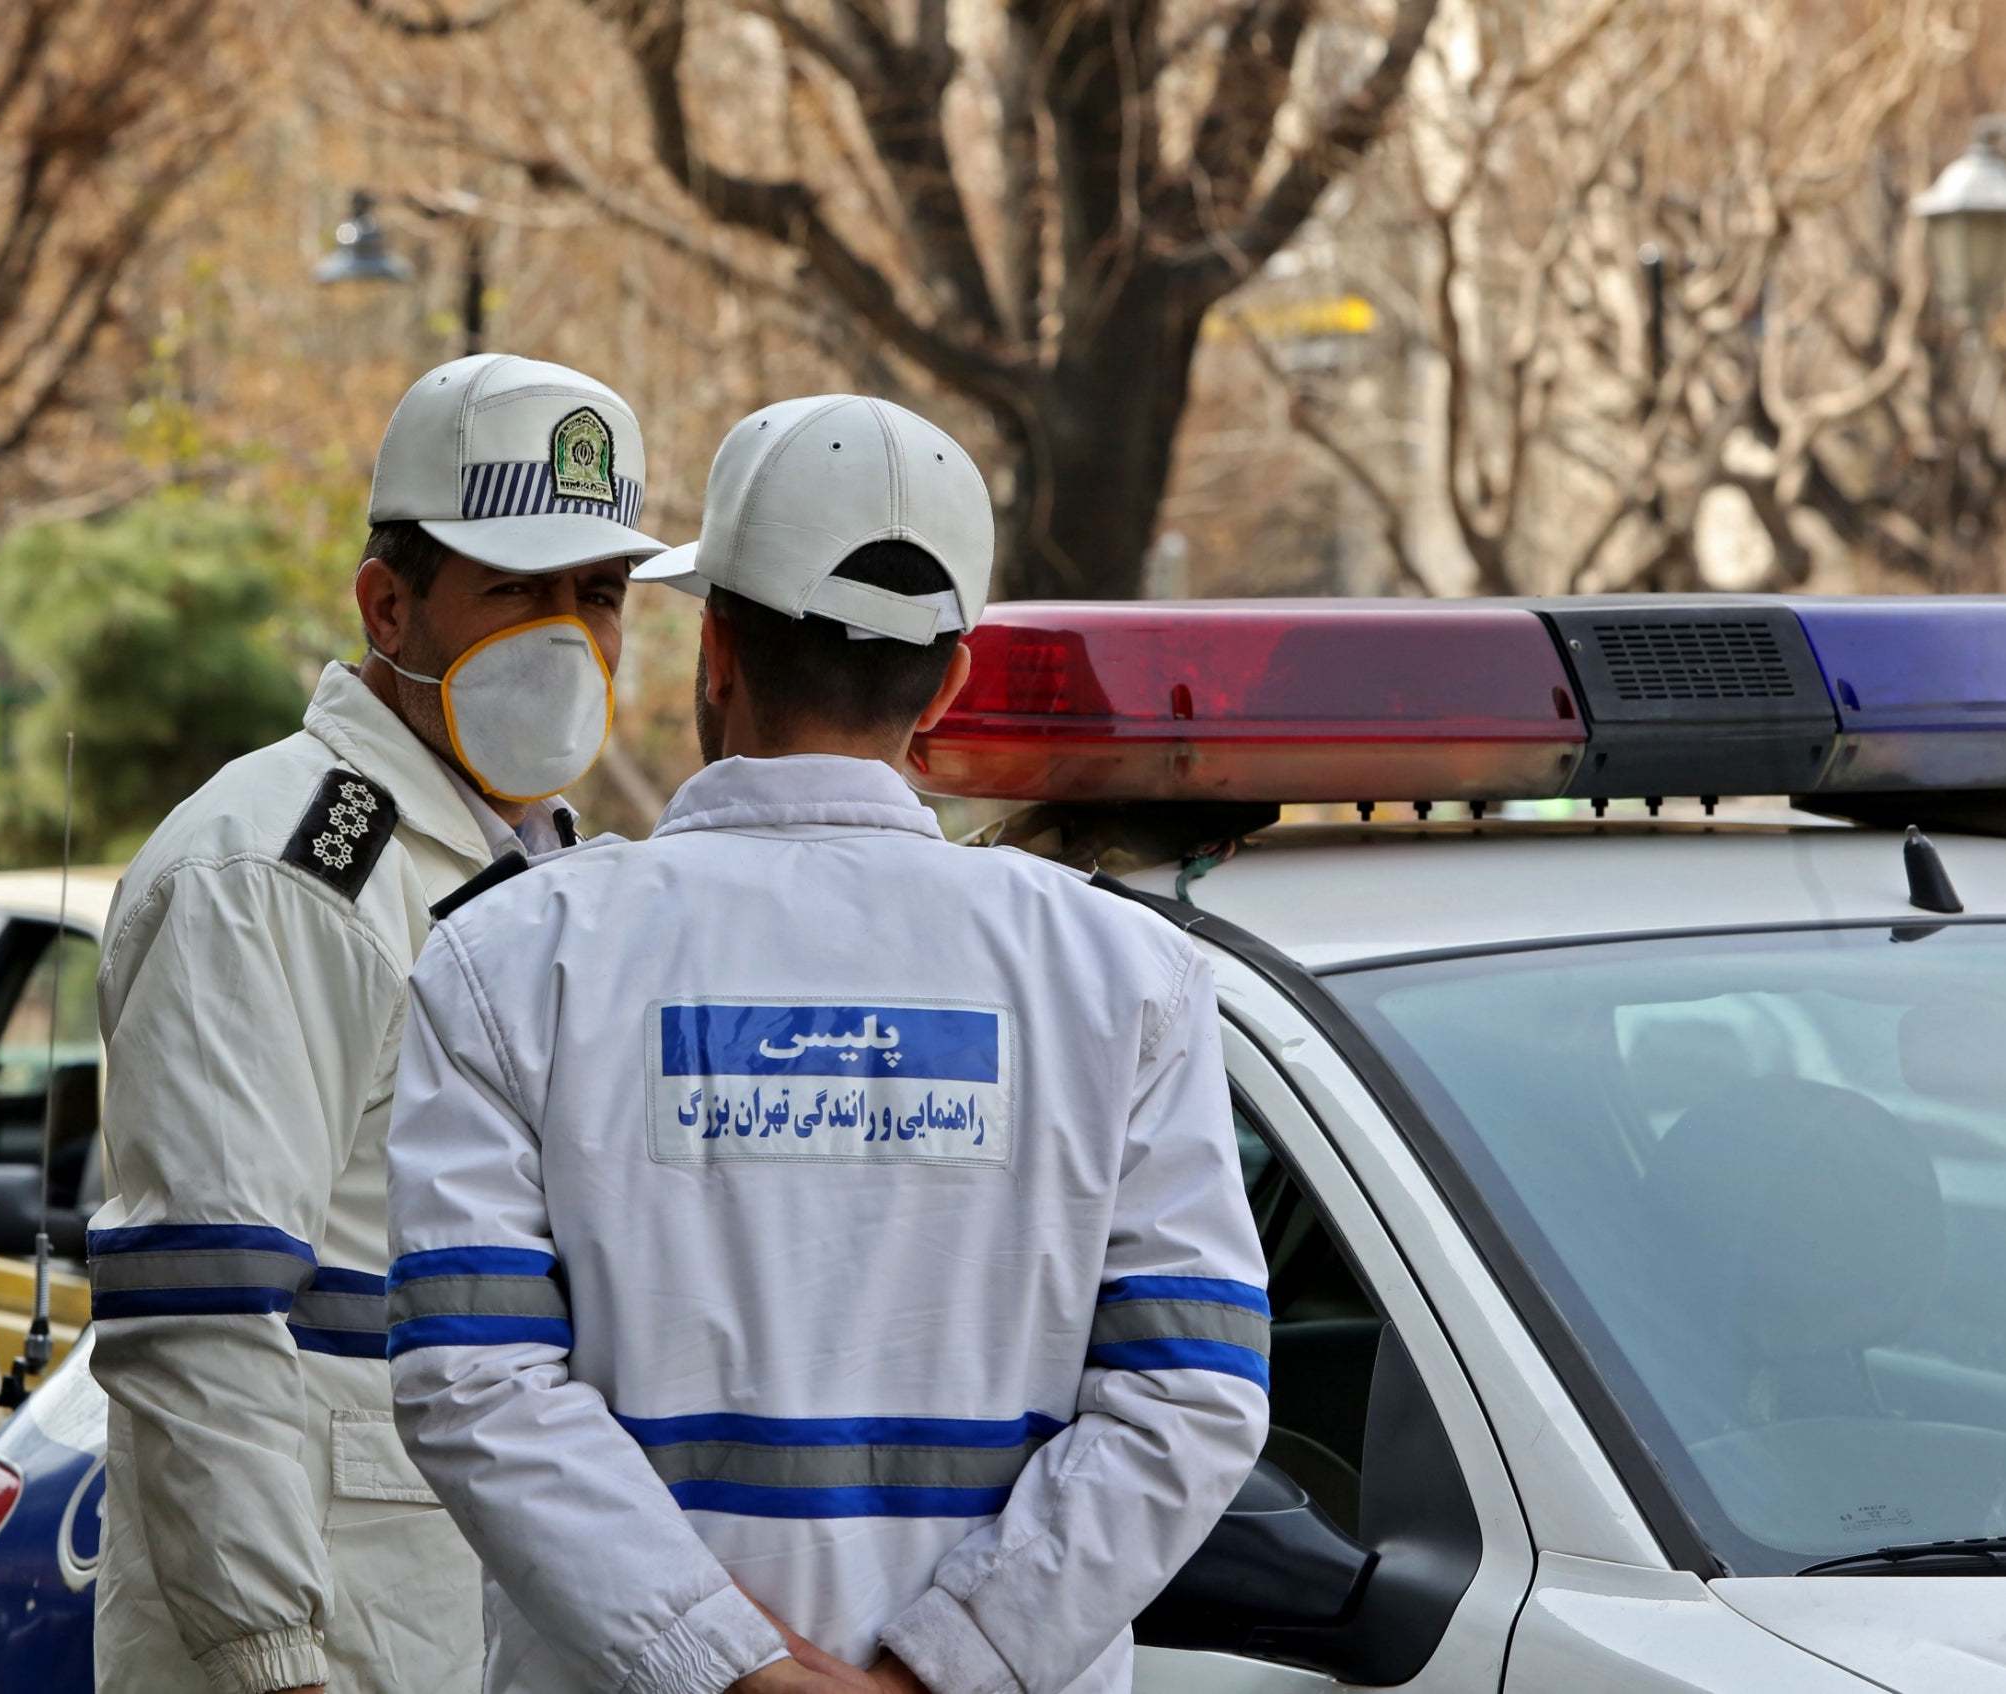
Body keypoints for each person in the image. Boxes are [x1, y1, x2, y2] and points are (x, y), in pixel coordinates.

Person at [386, 394, 1272, 1694]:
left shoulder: (512, 959)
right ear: (950, 680)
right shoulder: (1127, 975)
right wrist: (932, 1669)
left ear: (719, 651)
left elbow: (472, 1382)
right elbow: (1192, 1391)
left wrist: (729, 1665)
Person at [85, 354, 667, 1694]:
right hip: (327, 1649)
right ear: (385, 602)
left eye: (598, 595)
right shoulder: (276, 870)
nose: (566, 637)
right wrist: (271, 1658)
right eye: (515, 589)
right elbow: (199, 1317)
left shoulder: (543, 872)